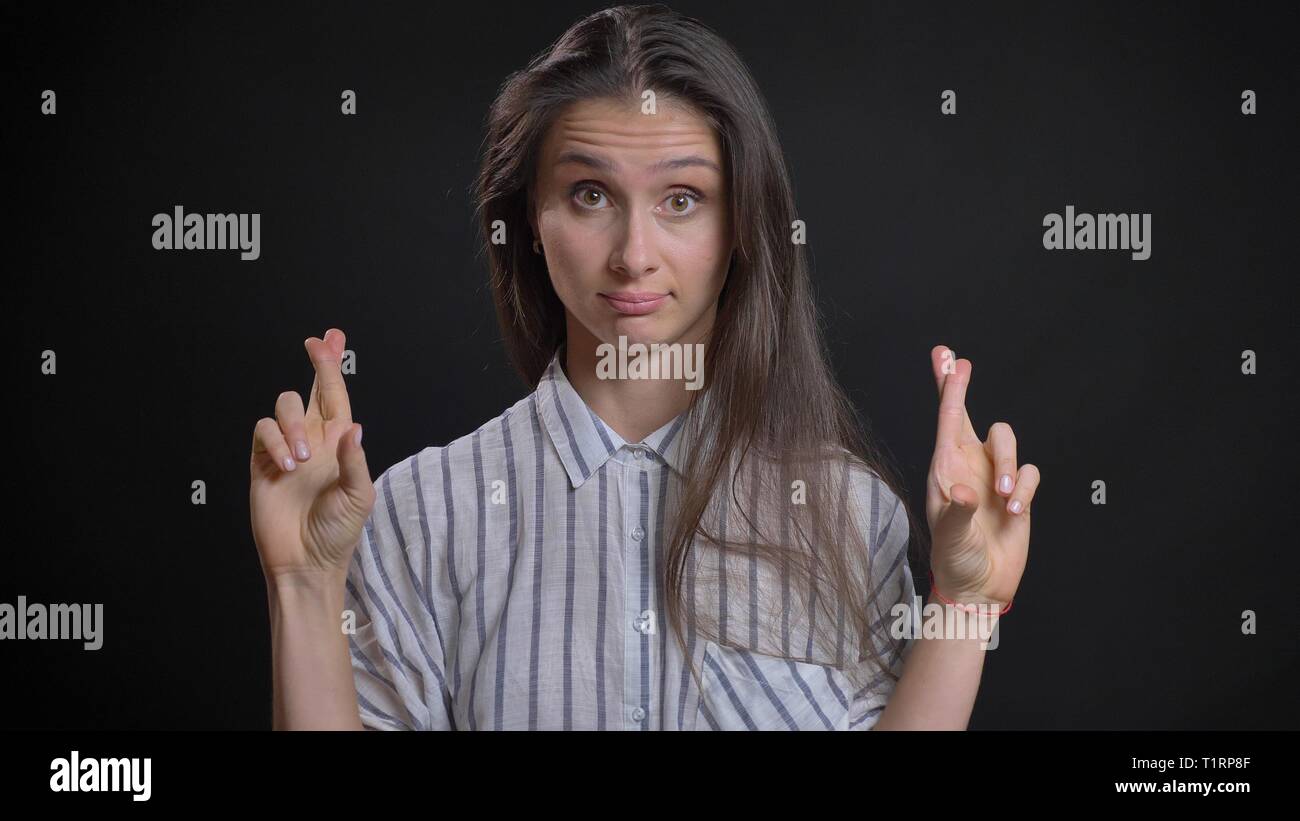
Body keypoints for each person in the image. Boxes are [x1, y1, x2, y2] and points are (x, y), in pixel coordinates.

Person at [249, 4, 1040, 731]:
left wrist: (965, 603)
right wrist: (306, 585)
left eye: (682, 199)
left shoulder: (848, 517)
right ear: (530, 220)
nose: (633, 255)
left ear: (741, 225)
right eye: (590, 194)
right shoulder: (424, 513)